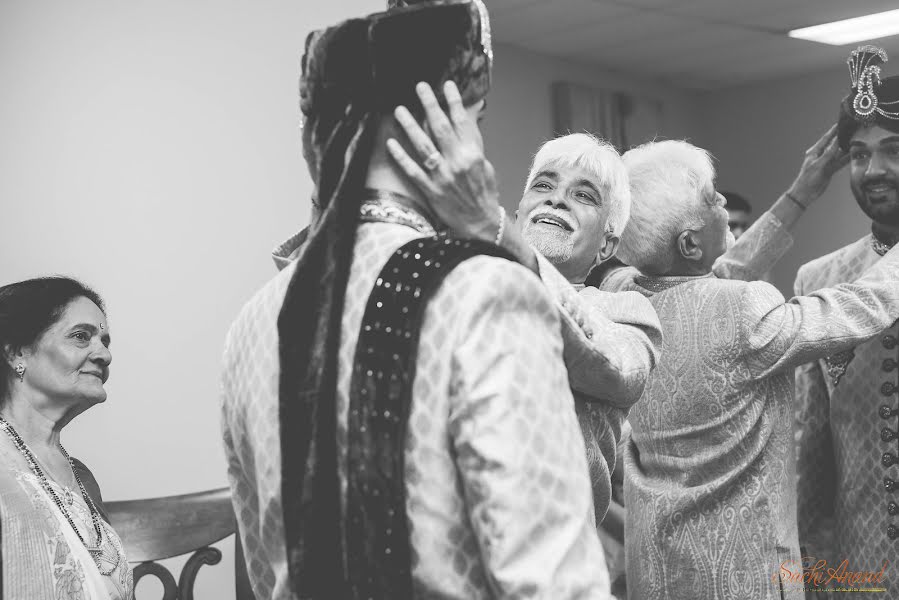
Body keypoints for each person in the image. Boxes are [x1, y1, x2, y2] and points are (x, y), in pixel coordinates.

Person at [220, 1, 610, 598]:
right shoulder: (487, 291)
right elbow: (552, 579)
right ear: (440, 125)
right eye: (476, 118)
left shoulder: (254, 319)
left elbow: (260, 561)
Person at [600, 136, 899, 600]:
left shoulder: (622, 294)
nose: (722, 200)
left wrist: (801, 193)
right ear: (690, 240)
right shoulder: (742, 313)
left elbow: (707, 274)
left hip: (656, 570)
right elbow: (863, 304)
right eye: (710, 198)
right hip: (747, 579)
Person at [794, 45, 899, 596]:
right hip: (863, 573)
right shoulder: (820, 279)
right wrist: (813, 570)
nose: (873, 170)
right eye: (859, 154)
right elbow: (809, 443)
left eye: (893, 150)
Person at [0, 277, 131, 599]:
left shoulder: (81, 477)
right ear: (18, 352)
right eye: (81, 337)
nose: (104, 355)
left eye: (105, 341)